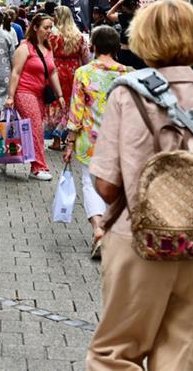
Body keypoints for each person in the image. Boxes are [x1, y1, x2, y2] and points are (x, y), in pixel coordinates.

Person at [86, 0, 193, 370]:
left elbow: (105, 185)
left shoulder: (128, 93)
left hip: (137, 237)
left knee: (114, 353)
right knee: (185, 355)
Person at [62, 26, 130, 259]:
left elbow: (76, 110)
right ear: (117, 46)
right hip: (118, 138)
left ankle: (99, 230)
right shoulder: (125, 74)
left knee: (89, 183)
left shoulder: (84, 73)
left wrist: (69, 141)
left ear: (94, 46)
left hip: (89, 139)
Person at [4, 13, 65, 181]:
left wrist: (59, 95)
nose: (49, 31)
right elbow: (15, 73)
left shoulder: (48, 48)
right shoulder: (24, 47)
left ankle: (4, 154)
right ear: (35, 27)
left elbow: (52, 71)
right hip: (24, 92)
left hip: (39, 94)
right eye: (46, 27)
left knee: (30, 129)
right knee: (36, 128)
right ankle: (38, 167)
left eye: (51, 27)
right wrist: (10, 97)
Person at [46, 6, 91, 151]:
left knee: (57, 104)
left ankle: (57, 140)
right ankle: (67, 135)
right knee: (72, 104)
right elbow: (86, 58)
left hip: (56, 72)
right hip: (74, 73)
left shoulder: (51, 37)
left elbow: (46, 56)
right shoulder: (79, 37)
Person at [106, 0, 145, 70]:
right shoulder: (142, 16)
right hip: (139, 50)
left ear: (123, 7)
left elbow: (109, 14)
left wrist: (118, 3)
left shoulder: (123, 17)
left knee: (125, 72)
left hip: (126, 51)